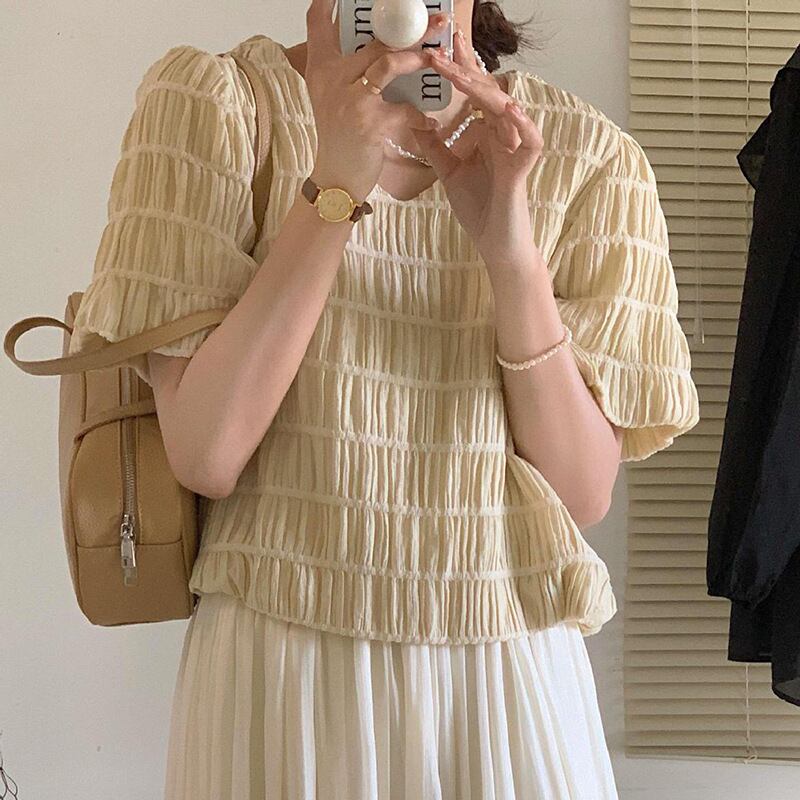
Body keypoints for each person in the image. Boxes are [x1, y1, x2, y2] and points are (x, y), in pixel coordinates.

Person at [67, 1, 700, 797]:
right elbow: (207, 451)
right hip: (283, 665)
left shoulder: (587, 155)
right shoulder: (216, 105)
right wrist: (334, 184)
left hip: (508, 671)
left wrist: (510, 252)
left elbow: (580, 492)